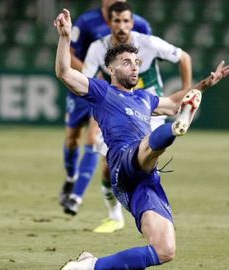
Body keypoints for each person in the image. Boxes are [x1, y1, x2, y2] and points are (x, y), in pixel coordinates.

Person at [55, 8, 229, 270]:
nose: (134, 67)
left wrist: (206, 83)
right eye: (127, 62)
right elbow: (64, 73)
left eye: (136, 63)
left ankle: (88, 266)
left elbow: (173, 103)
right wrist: (65, 37)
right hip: (123, 162)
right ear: (111, 68)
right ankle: (175, 130)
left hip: (147, 179)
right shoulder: (101, 91)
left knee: (165, 250)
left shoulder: (144, 98)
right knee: (150, 145)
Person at [64, 1, 192, 233]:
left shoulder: (147, 43)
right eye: (117, 21)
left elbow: (184, 57)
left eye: (126, 21)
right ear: (109, 23)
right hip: (118, 110)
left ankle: (149, 205)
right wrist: (96, 121)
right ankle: (115, 216)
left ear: (132, 23)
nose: (122, 26)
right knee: (107, 167)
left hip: (150, 108)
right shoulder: (98, 48)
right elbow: (87, 84)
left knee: (146, 154)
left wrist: (188, 89)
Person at [59, 0, 152, 234]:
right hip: (89, 82)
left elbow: (144, 54)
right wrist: (95, 73)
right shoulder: (87, 21)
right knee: (71, 138)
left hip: (111, 92)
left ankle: (76, 197)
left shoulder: (140, 24)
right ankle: (71, 177)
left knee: (92, 140)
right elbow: (70, 55)